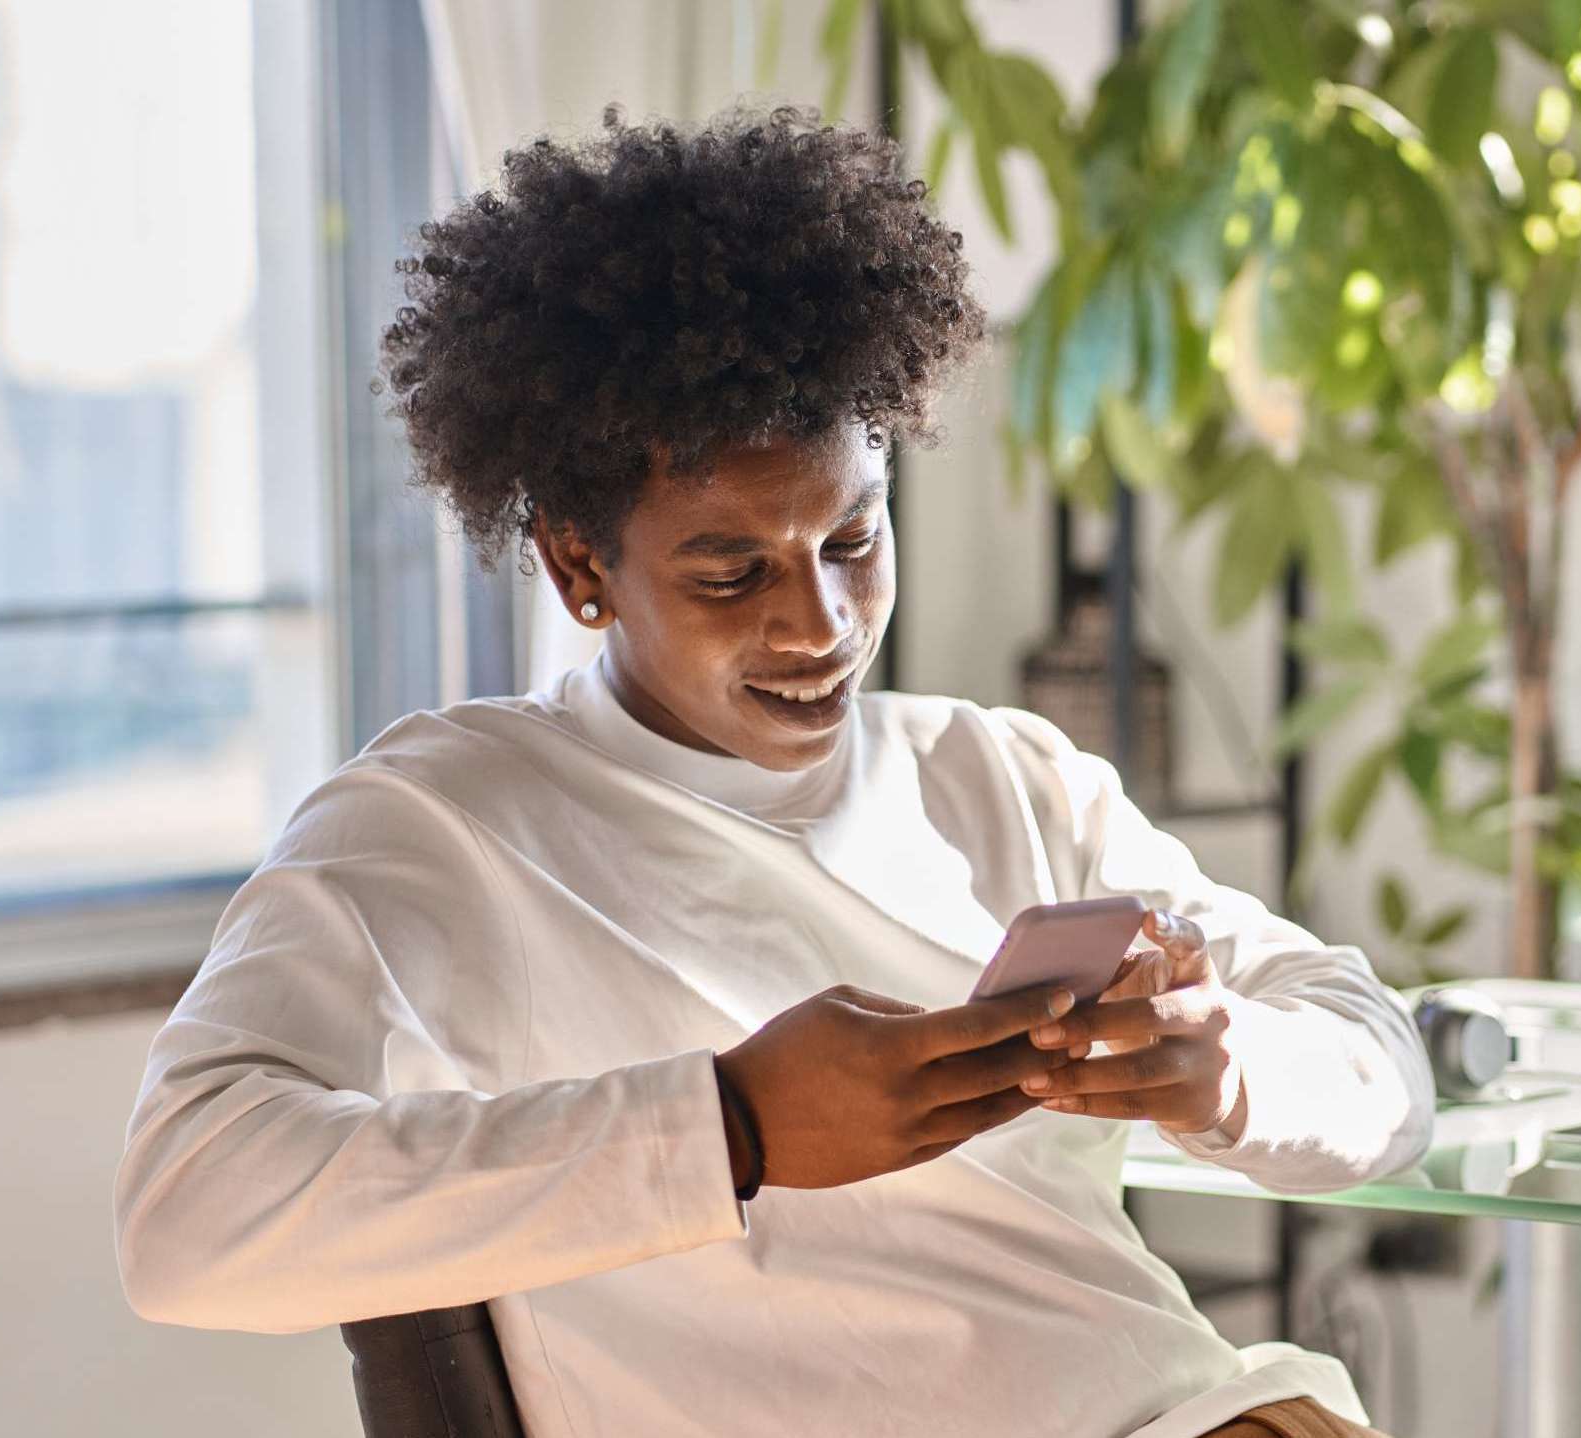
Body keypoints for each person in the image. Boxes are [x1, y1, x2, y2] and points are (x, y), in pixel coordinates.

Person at [112, 104, 1434, 1438]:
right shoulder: (445, 823)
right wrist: (729, 1125)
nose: (819, 625)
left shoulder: (1003, 778)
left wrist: (1229, 1068)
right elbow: (183, 1211)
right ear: (582, 567)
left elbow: (1385, 1065)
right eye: (729, 571)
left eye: (853, 541)